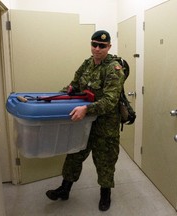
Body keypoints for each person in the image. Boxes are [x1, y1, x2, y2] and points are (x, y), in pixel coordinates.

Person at [46, 30, 125, 211]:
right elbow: (74, 85)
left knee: (104, 161)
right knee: (74, 155)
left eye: (102, 46)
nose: (97, 49)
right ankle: (64, 189)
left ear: (109, 47)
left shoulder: (113, 70)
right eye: (94, 44)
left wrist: (86, 109)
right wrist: (60, 94)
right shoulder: (87, 64)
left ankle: (105, 195)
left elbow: (110, 101)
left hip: (105, 125)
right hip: (84, 123)